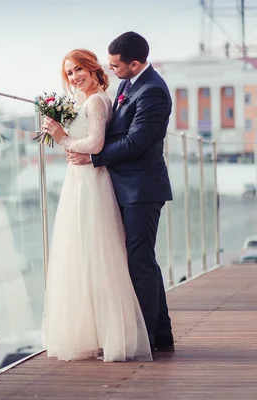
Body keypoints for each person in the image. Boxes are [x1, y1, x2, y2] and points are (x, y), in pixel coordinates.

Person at [45, 31, 176, 359]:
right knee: (142, 260)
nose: (111, 69)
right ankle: (159, 332)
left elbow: (136, 142)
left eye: (116, 65)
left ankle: (143, 337)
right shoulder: (128, 84)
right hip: (123, 185)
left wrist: (91, 157)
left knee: (139, 262)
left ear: (134, 64)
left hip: (141, 189)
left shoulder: (153, 91)